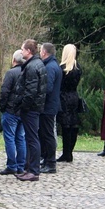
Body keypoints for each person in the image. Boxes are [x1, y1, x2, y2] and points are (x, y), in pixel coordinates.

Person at [15, 39, 47, 182]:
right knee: (30, 138)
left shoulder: (32, 66)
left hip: (31, 109)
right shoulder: (37, 64)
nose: (21, 51)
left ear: (28, 51)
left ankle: (33, 170)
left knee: (32, 138)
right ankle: (30, 168)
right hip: (34, 107)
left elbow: (31, 91)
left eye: (22, 49)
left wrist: (23, 106)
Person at [0, 50, 26, 175]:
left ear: (14, 60)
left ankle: (12, 165)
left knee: (9, 138)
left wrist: (2, 107)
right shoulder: (28, 72)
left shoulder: (11, 73)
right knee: (21, 138)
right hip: (23, 110)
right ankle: (21, 165)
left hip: (11, 110)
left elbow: (5, 92)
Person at [56, 44, 82, 163]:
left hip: (64, 97)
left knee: (65, 125)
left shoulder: (62, 68)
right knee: (73, 124)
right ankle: (69, 152)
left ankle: (66, 153)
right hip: (74, 96)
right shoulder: (78, 68)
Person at [39, 42, 62, 174]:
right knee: (45, 134)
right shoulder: (53, 65)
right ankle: (47, 160)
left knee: (47, 135)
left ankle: (50, 162)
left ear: (44, 52)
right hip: (50, 105)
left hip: (48, 106)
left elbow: (47, 87)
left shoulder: (50, 67)